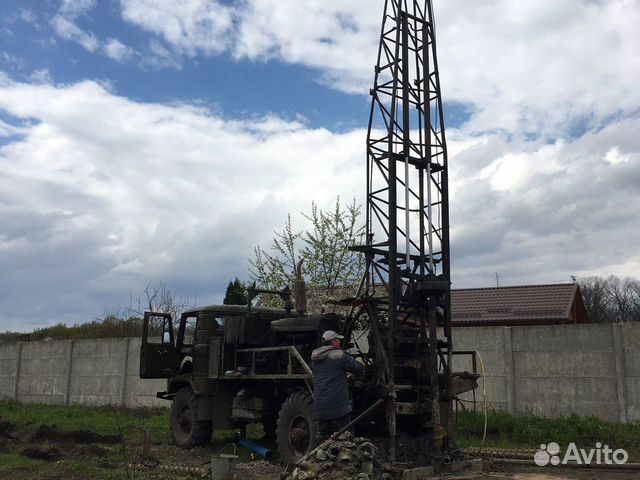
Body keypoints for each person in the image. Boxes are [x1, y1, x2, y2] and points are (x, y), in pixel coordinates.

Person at [311, 330, 364, 443]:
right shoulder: (338, 355)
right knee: (346, 438)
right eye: (338, 340)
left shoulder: (315, 357)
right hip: (338, 406)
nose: (340, 342)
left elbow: (329, 373)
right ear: (333, 342)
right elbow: (358, 369)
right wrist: (361, 364)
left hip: (320, 406)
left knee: (323, 441)